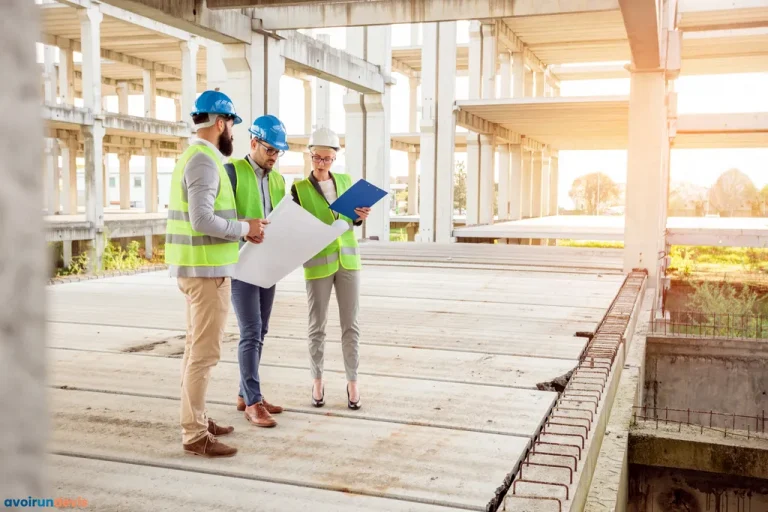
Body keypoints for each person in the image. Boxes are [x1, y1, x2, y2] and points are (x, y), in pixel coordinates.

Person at [165, 90, 268, 457]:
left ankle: (197, 417)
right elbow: (202, 219)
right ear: (221, 123)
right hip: (206, 273)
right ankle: (194, 434)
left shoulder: (193, 155)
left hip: (197, 269)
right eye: (232, 125)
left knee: (195, 349)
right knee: (205, 355)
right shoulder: (205, 161)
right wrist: (245, 228)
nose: (232, 134)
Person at [290, 127, 371, 410]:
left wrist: (360, 217)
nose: (322, 163)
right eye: (317, 158)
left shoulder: (347, 182)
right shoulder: (298, 190)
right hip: (317, 264)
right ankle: (317, 381)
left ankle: (353, 383)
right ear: (310, 156)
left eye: (327, 158)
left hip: (348, 261)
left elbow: (351, 221)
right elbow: (295, 227)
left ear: (335, 158)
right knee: (317, 327)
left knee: (351, 326)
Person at [224, 115, 289, 428]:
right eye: (269, 150)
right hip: (241, 264)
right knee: (250, 332)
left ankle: (244, 393)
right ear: (253, 143)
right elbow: (220, 219)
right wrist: (242, 232)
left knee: (261, 331)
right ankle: (253, 401)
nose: (274, 156)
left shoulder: (278, 180)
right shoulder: (232, 173)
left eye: (278, 152)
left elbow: (278, 220)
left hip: (269, 264)